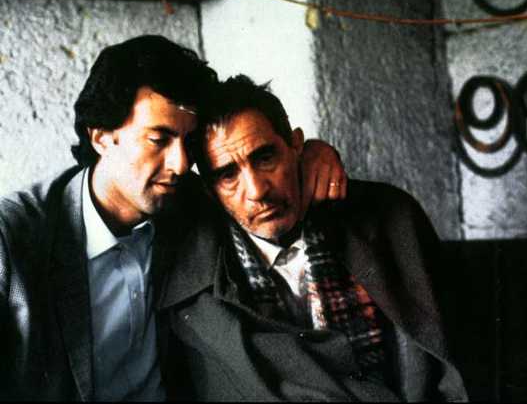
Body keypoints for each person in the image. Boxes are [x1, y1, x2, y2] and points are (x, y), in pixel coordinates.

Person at [0, 35, 346, 401]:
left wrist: (312, 154)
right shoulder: (12, 239)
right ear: (101, 137)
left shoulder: (188, 202)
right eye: (158, 139)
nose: (180, 164)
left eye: (188, 142)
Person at [160, 75, 468, 401]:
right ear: (209, 189)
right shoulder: (199, 269)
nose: (257, 191)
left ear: (296, 145)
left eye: (265, 158)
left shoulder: (389, 217)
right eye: (228, 175)